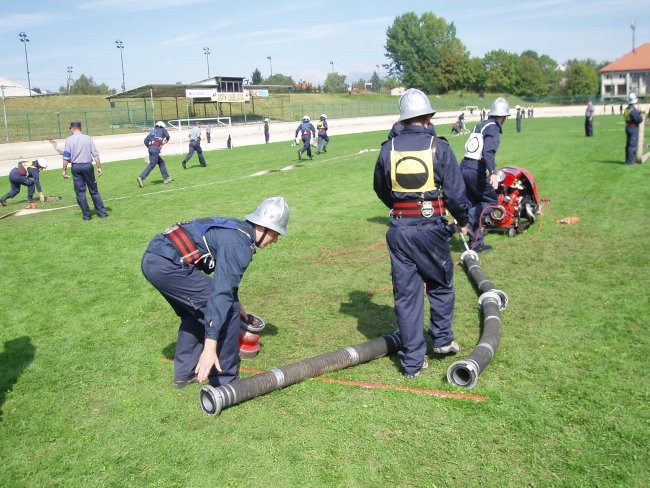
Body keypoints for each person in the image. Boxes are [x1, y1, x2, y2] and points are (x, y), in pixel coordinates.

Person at [140, 197, 290, 388]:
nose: (275, 241)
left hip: (157, 258)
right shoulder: (238, 246)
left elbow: (225, 279)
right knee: (228, 312)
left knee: (194, 312)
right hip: (168, 265)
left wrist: (239, 303)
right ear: (264, 227)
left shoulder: (238, 230)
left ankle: (186, 373)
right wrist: (210, 346)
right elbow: (220, 295)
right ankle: (225, 382)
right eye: (276, 234)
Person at [373, 88, 469, 379]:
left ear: (402, 120)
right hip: (431, 229)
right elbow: (455, 191)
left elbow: (380, 188)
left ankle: (413, 363)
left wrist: (400, 208)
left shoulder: (387, 149)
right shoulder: (438, 147)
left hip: (400, 230)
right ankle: (441, 340)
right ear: (427, 118)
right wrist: (462, 219)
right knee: (440, 283)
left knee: (407, 296)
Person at [459, 97, 511, 253]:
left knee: (472, 202)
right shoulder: (493, 128)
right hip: (476, 168)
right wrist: (493, 173)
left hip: (464, 166)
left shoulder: (481, 124)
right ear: (503, 117)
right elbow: (488, 152)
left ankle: (475, 243)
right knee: (491, 201)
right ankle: (468, 224)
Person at [62, 121, 108, 221]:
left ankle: (87, 216)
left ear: (72, 128)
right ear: (80, 128)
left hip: (76, 167)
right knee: (94, 190)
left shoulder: (69, 140)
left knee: (80, 192)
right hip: (88, 166)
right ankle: (102, 213)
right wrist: (99, 167)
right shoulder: (88, 138)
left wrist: (64, 170)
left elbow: (66, 157)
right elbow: (95, 154)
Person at [138, 121, 171, 187]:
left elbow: (145, 141)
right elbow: (167, 136)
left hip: (151, 149)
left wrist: (150, 146)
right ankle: (141, 177)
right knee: (152, 164)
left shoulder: (152, 131)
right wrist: (164, 142)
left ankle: (166, 178)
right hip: (155, 149)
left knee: (161, 162)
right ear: (162, 126)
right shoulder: (162, 129)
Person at [624, 93, 644, 165]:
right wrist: (640, 115)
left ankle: (628, 160)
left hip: (628, 127)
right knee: (632, 145)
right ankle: (631, 161)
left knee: (629, 144)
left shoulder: (627, 109)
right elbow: (639, 119)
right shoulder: (632, 110)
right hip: (633, 128)